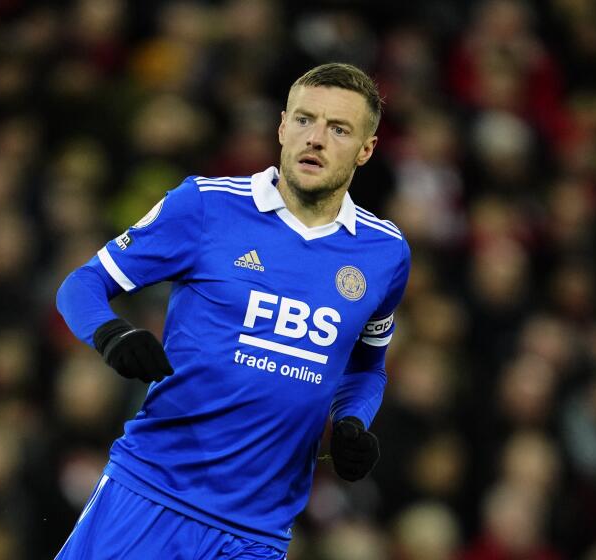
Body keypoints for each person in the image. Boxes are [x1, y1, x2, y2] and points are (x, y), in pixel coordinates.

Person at [54, 62, 411, 559]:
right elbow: (82, 283)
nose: (315, 139)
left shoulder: (385, 253)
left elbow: (368, 367)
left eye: (338, 129)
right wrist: (112, 334)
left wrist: (352, 421)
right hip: (151, 494)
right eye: (305, 120)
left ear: (366, 149)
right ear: (282, 126)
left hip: (257, 532)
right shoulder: (205, 206)